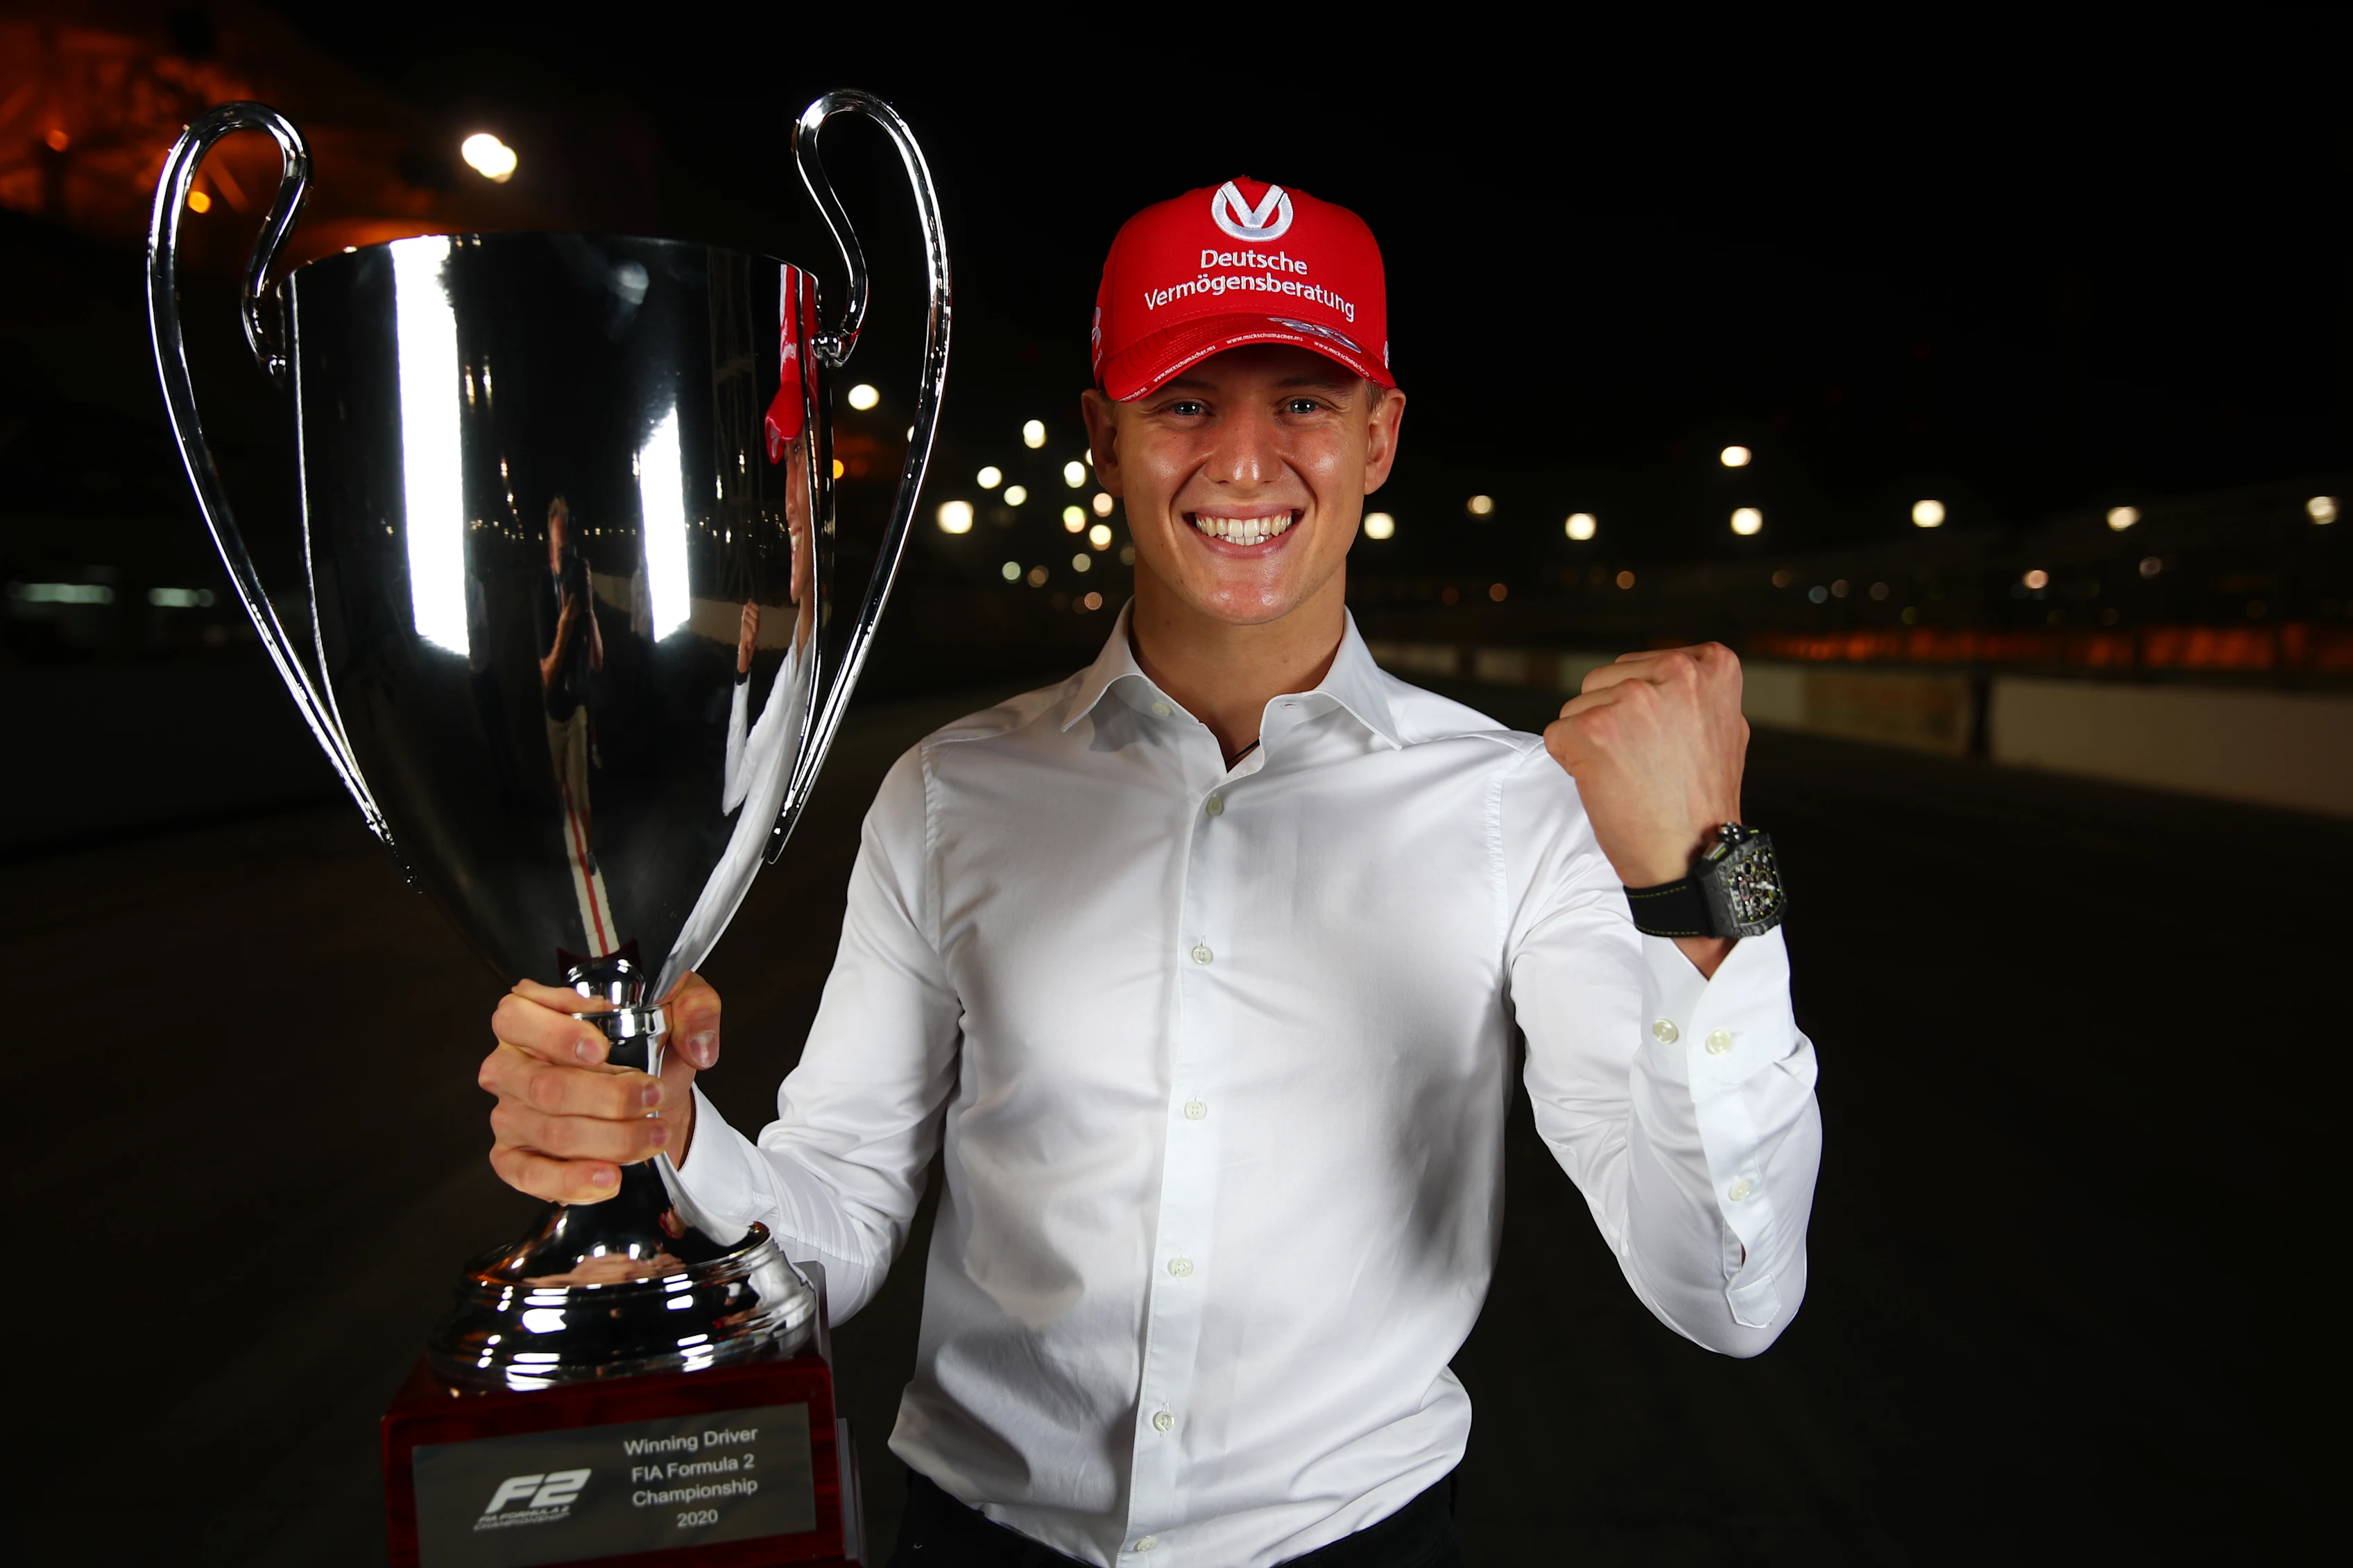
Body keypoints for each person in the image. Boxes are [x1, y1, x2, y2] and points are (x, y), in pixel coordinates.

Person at [479, 178, 1822, 1567]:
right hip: (979, 1536)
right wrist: (657, 1128)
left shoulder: (1513, 805)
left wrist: (1709, 883)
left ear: (1380, 437)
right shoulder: (950, 793)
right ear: (1101, 439)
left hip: (1353, 1539)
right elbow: (837, 1223)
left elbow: (1724, 1293)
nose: (1244, 461)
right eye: (1184, 401)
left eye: (1302, 397)